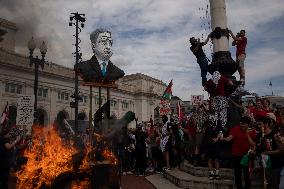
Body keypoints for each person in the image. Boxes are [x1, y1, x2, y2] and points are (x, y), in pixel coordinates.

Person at [221, 116, 256, 189]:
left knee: (247, 174)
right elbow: (229, 138)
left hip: (246, 155)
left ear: (248, 124)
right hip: (236, 155)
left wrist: (247, 134)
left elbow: (253, 144)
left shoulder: (252, 131)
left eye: (243, 124)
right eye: (241, 124)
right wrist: (224, 139)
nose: (242, 125)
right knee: (237, 174)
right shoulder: (235, 129)